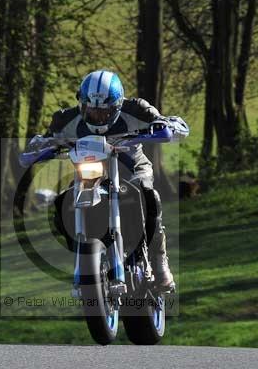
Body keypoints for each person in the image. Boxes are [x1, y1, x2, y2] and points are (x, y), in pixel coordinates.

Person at [25, 69, 188, 290]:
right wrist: (39, 146)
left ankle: (159, 262)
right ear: (81, 104)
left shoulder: (136, 108)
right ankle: (83, 258)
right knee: (63, 202)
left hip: (132, 168)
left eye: (105, 111)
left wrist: (165, 127)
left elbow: (173, 124)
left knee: (148, 194)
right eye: (91, 111)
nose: (98, 116)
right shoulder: (65, 119)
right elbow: (43, 141)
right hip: (90, 172)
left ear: (118, 105)